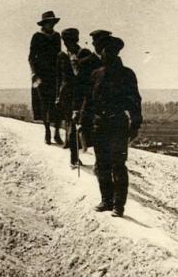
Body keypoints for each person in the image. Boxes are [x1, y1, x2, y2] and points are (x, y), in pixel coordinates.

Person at [79, 34, 142, 217]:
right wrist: (83, 122)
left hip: (118, 124)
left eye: (107, 51)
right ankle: (106, 200)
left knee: (118, 165)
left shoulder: (127, 74)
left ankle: (118, 206)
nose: (103, 54)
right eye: (102, 51)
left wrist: (135, 124)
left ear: (114, 52)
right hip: (100, 125)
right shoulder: (96, 74)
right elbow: (88, 101)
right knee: (102, 164)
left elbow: (135, 100)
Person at [60, 28, 99, 167]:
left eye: (68, 40)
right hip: (70, 93)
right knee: (73, 124)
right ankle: (74, 157)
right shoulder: (64, 55)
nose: (66, 43)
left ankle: (76, 156)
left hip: (80, 92)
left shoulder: (83, 53)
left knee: (79, 124)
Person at [28, 11, 64, 144]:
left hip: (55, 74)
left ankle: (57, 133)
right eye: (49, 22)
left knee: (57, 103)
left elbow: (59, 55)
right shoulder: (37, 36)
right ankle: (47, 132)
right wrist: (34, 73)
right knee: (44, 103)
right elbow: (31, 57)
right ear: (44, 24)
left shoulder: (57, 36)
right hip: (41, 75)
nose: (51, 25)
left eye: (53, 23)